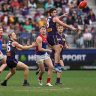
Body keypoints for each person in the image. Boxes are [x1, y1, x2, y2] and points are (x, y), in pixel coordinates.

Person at [47, 8, 77, 72]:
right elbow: (62, 24)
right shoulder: (54, 18)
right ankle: (56, 65)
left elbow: (56, 18)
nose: (55, 13)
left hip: (49, 36)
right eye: (54, 12)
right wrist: (71, 27)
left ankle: (57, 64)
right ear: (51, 13)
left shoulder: (49, 18)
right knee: (58, 50)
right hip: (52, 36)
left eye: (55, 12)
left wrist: (62, 16)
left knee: (58, 49)